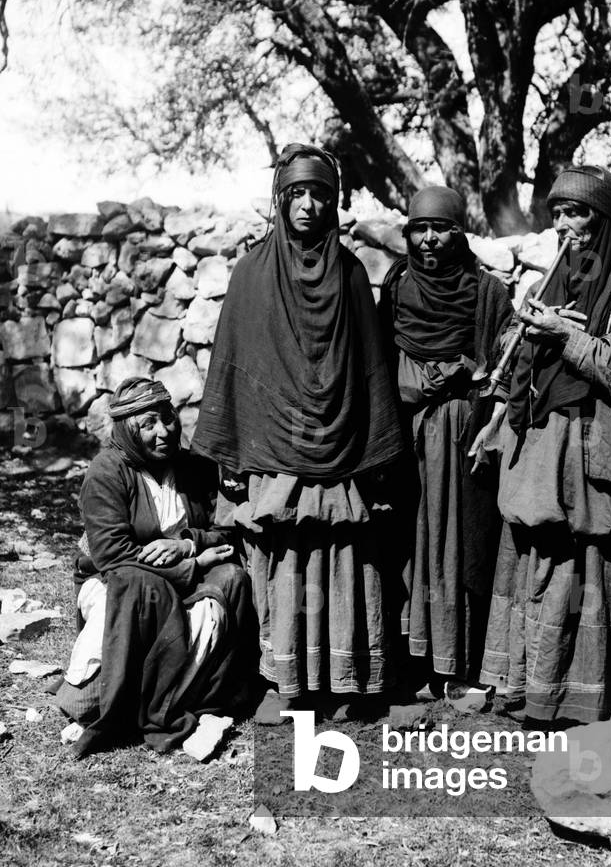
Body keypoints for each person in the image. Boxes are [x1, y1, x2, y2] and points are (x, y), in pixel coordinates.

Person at [192, 143, 404, 718]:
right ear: (280, 200)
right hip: (275, 454)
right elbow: (235, 365)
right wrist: (235, 451)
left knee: (340, 557)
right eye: (298, 194)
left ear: (334, 203)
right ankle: (285, 682)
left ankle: (344, 679)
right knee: (283, 559)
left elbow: (371, 368)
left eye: (321, 195)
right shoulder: (251, 274)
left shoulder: (353, 274)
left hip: (343, 452)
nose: (309, 206)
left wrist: (375, 445)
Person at [473, 165, 611, 724]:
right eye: (559, 215)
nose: (567, 226)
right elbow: (517, 354)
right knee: (540, 565)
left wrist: (568, 337)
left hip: (602, 465)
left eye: (580, 214)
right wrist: (524, 342)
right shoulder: (552, 281)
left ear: (609, 219)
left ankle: (585, 699)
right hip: (544, 459)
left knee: (592, 572)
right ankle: (530, 690)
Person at [57, 376, 256, 757]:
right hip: (115, 581)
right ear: (126, 430)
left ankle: (188, 696)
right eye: (147, 425)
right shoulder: (107, 472)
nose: (163, 432)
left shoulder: (193, 468)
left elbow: (223, 529)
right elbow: (112, 555)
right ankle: (116, 702)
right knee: (143, 588)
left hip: (180, 568)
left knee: (232, 579)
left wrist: (185, 543)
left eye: (167, 419)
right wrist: (193, 564)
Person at [379, 186, 514, 694]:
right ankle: (412, 656)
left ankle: (457, 660)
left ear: (461, 232)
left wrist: (488, 416)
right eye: (421, 228)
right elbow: (378, 359)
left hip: (464, 432)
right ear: (409, 233)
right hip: (408, 430)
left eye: (441, 228)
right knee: (412, 540)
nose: (430, 239)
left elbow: (506, 368)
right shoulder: (396, 287)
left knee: (459, 542)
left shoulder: (487, 292)